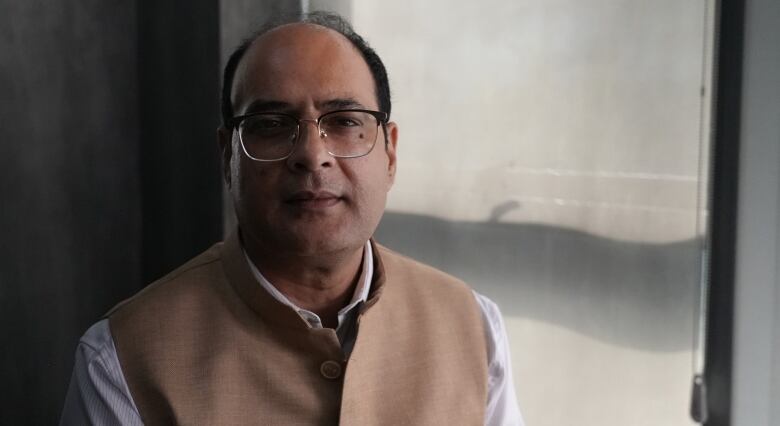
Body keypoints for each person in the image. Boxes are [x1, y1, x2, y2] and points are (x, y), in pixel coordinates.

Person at [60, 12, 524, 426]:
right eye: (271, 125)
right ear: (227, 157)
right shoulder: (122, 361)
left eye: (344, 121)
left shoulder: (473, 326)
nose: (312, 155)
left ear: (390, 153)